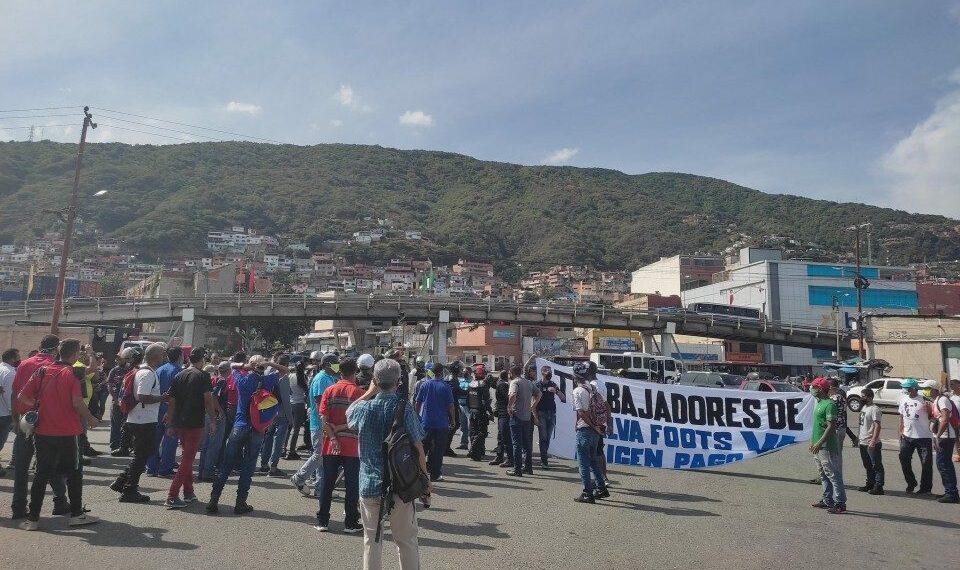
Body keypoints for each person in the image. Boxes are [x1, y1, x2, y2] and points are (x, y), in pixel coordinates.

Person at [346, 358, 428, 570]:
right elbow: (418, 447)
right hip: (401, 483)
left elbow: (349, 413)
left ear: (374, 379)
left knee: (371, 540)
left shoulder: (363, 409)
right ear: (399, 381)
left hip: (369, 482)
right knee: (406, 540)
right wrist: (425, 479)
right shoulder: (405, 408)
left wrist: (368, 392)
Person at [17, 339, 100, 530]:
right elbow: (77, 402)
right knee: (74, 473)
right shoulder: (72, 373)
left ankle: (33, 518)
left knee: (41, 474)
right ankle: (77, 514)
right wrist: (92, 418)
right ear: (74, 355)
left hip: (43, 431)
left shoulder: (41, 371)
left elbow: (22, 396)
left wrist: (41, 407)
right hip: (69, 432)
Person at [207, 354, 287, 515]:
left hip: (239, 425)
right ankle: (240, 502)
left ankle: (213, 500)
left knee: (226, 465)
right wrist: (268, 362)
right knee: (248, 467)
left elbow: (231, 364)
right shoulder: (267, 381)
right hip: (257, 428)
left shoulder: (241, 380)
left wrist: (248, 365)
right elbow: (285, 370)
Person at [10, 335, 68, 519]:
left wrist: (15, 419)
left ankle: (18, 506)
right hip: (47, 421)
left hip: (24, 419)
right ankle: (59, 500)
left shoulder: (24, 364)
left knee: (21, 465)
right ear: (56, 348)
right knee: (49, 464)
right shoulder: (57, 367)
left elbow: (15, 393)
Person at [111, 343, 166, 503]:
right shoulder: (147, 374)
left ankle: (122, 482)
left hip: (139, 419)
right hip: (143, 421)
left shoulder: (143, 371)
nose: (163, 358)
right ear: (155, 356)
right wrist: (162, 398)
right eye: (162, 355)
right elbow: (142, 396)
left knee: (143, 455)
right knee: (141, 456)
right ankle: (129, 490)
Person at [164, 348, 219, 509]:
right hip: (194, 422)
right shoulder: (203, 376)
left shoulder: (179, 375)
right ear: (201, 360)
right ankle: (172, 496)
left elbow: (171, 401)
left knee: (186, 457)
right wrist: (213, 420)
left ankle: (188, 492)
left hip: (180, 422)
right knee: (187, 459)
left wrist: (170, 421)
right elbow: (208, 399)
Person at [315, 357, 365, 532]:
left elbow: (323, 418)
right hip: (352, 445)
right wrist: (343, 427)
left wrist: (334, 436)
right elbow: (359, 421)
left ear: (339, 371)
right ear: (355, 372)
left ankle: (322, 521)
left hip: (330, 444)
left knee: (327, 483)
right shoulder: (359, 393)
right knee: (352, 485)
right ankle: (351, 522)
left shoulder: (329, 390)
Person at [291, 352, 339, 497]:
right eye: (334, 363)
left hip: (323, 423)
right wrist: (326, 424)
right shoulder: (322, 379)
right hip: (320, 424)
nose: (337, 366)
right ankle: (299, 477)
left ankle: (321, 489)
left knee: (323, 457)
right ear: (325, 365)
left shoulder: (330, 377)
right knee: (319, 455)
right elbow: (320, 403)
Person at [571, 362, 609, 503]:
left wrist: (592, 425)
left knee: (583, 463)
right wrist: (598, 426)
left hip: (586, 429)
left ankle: (587, 492)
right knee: (593, 460)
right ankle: (601, 487)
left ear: (575, 376)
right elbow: (605, 406)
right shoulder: (593, 388)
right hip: (596, 430)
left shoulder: (578, 391)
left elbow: (581, 412)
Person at [809, 377, 846, 514]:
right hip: (817, 446)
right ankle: (827, 500)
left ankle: (840, 503)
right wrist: (813, 442)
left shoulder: (829, 405)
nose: (811, 389)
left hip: (826, 446)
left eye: (813, 387)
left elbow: (831, 427)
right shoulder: (819, 403)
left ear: (820, 388)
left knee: (833, 475)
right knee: (823, 474)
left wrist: (819, 442)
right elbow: (818, 426)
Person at [146, 346, 183, 478]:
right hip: (171, 408)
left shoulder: (159, 370)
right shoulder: (179, 371)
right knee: (170, 438)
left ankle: (151, 467)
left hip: (157, 407)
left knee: (154, 439)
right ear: (179, 356)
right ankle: (165, 468)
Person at [415, 359, 455, 482]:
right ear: (441, 372)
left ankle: (418, 472)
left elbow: (418, 402)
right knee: (438, 449)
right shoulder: (446, 386)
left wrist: (416, 416)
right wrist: (453, 419)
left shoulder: (425, 384)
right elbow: (451, 405)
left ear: (432, 372)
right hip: (442, 423)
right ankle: (435, 474)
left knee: (423, 448)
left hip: (426, 422)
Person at [923, 380, 959, 503]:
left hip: (945, 437)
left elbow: (944, 419)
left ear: (934, 389)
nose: (925, 390)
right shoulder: (936, 401)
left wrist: (937, 436)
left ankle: (952, 493)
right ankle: (949, 491)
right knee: (942, 465)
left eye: (927, 388)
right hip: (941, 436)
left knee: (944, 465)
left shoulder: (942, 400)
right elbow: (936, 419)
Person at [897, 378, 934, 495]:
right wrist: (900, 430)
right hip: (907, 436)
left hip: (923, 437)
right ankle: (911, 482)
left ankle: (926, 488)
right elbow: (901, 416)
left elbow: (933, 416)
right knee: (903, 458)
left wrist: (929, 410)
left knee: (926, 463)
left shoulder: (924, 400)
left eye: (907, 388)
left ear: (914, 389)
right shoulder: (903, 400)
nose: (905, 390)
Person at [260, 354, 293, 477]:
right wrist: (290, 418)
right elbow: (285, 399)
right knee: (278, 441)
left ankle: (264, 464)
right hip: (281, 412)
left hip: (269, 411)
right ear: (286, 365)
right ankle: (273, 467)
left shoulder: (268, 374)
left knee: (267, 439)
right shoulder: (283, 377)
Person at [198, 361, 229, 482]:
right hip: (215, 415)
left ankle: (202, 471)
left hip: (208, 414)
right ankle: (207, 472)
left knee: (206, 444)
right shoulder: (222, 381)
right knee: (214, 444)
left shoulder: (214, 379)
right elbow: (213, 396)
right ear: (228, 371)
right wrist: (220, 411)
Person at [507, 364, 540, 477]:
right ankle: (528, 468)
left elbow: (513, 394)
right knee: (527, 443)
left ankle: (517, 469)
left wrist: (509, 407)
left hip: (517, 415)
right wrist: (533, 406)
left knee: (517, 443)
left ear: (511, 373)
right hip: (527, 416)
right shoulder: (528, 382)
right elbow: (539, 393)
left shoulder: (514, 382)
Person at [107, 348, 137, 456]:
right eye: (116, 358)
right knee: (115, 424)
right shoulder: (114, 370)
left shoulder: (132, 370)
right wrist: (115, 399)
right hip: (116, 402)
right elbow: (109, 385)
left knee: (127, 425)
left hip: (127, 402)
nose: (117, 360)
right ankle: (115, 445)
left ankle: (126, 445)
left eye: (120, 358)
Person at [534, 364, 565, 468]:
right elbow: (533, 399)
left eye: (550, 371)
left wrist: (556, 391)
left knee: (547, 438)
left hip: (551, 413)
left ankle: (544, 457)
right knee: (543, 438)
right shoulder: (537, 384)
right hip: (541, 412)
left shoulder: (553, 384)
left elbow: (563, 398)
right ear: (542, 372)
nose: (549, 372)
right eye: (547, 370)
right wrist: (535, 416)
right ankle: (544, 461)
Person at [856, 388, 884, 495]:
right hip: (863, 441)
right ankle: (870, 484)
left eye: (863, 396)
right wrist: (858, 438)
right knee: (867, 465)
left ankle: (879, 486)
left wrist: (873, 440)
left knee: (876, 465)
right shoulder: (864, 407)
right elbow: (861, 424)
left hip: (872, 442)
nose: (861, 398)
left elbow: (877, 426)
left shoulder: (875, 409)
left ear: (870, 397)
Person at [466, 364, 494, 461]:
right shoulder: (483, 386)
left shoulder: (470, 384)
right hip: (481, 412)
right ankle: (474, 450)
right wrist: (490, 412)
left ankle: (479, 450)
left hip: (472, 411)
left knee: (473, 432)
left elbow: (467, 399)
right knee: (482, 432)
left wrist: (470, 409)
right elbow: (485, 401)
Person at [0, 348, 19, 477]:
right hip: (4, 414)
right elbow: (9, 396)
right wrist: (14, 415)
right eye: (17, 357)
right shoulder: (11, 373)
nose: (19, 360)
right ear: (12, 359)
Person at [286, 358, 309, 460]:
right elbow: (306, 390)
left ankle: (283, 448)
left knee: (288, 427)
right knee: (296, 429)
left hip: (290, 403)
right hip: (299, 404)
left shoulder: (290, 376)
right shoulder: (302, 377)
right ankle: (292, 450)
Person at [489, 370, 513, 467]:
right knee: (501, 436)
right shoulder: (503, 384)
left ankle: (510, 459)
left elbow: (507, 398)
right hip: (502, 413)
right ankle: (500, 456)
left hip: (504, 413)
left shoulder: (503, 385)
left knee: (505, 436)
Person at [455, 366, 471, 450]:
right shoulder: (460, 381)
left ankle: (472, 445)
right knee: (462, 425)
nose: (464, 373)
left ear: (470, 373)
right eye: (463, 371)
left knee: (470, 426)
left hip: (468, 406)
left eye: (466, 372)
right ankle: (463, 443)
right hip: (460, 405)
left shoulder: (472, 382)